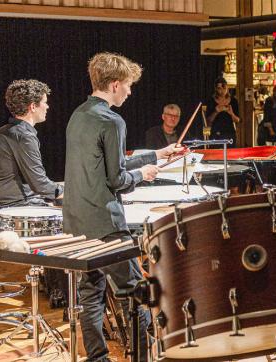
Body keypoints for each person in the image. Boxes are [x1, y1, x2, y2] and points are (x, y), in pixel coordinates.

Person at [63, 52, 182, 362]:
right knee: (134, 292)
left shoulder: (78, 115)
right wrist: (142, 175)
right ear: (115, 84)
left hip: (76, 221)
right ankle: (145, 357)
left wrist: (156, 155)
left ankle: (98, 358)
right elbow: (116, 178)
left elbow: (106, 166)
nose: (130, 91)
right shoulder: (113, 120)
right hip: (105, 223)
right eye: (128, 85)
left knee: (90, 295)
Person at [0, 79, 63, 213]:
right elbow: (39, 184)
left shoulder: (2, 131)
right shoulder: (24, 136)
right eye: (45, 102)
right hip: (14, 207)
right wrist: (66, 192)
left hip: (3, 203)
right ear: (33, 106)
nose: (47, 106)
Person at [206, 77, 239, 147]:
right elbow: (208, 121)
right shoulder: (211, 101)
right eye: (219, 88)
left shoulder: (233, 101)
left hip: (229, 132)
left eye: (224, 87)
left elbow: (238, 120)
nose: (222, 90)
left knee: (231, 155)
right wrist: (216, 111)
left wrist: (231, 114)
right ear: (216, 89)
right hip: (216, 132)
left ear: (227, 87)